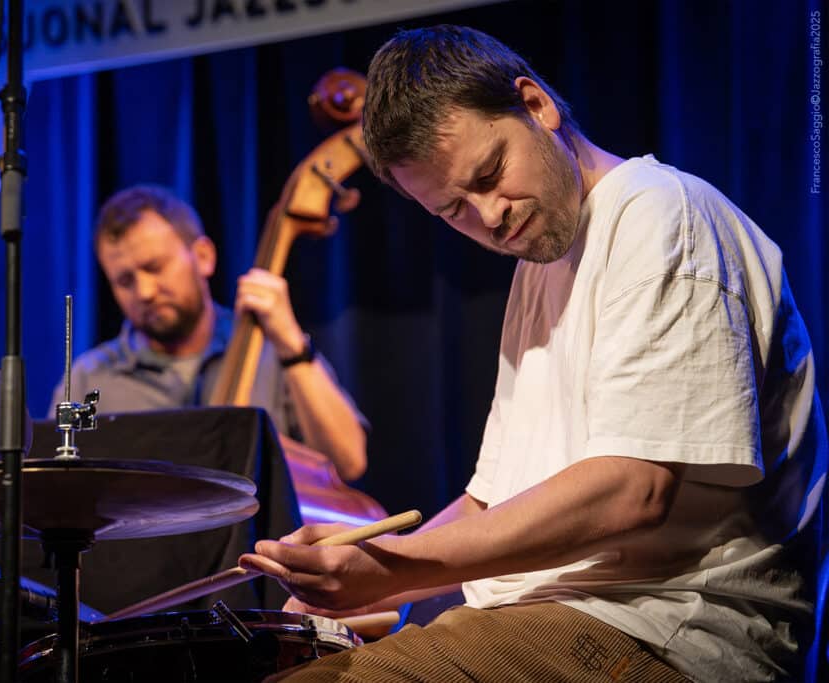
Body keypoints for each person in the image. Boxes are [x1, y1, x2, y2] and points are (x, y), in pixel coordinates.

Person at [239, 25, 827, 682]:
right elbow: (490, 501)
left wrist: (400, 566)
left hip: (667, 629)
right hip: (570, 616)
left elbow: (634, 489)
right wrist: (369, 575)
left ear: (536, 104)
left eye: (489, 174)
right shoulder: (538, 267)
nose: (488, 216)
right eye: (453, 209)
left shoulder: (660, 214)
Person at [51, 184, 368, 482]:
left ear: (203, 257)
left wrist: (292, 346)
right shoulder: (88, 379)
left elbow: (348, 462)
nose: (144, 292)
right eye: (125, 281)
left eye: (155, 267)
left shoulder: (270, 350)